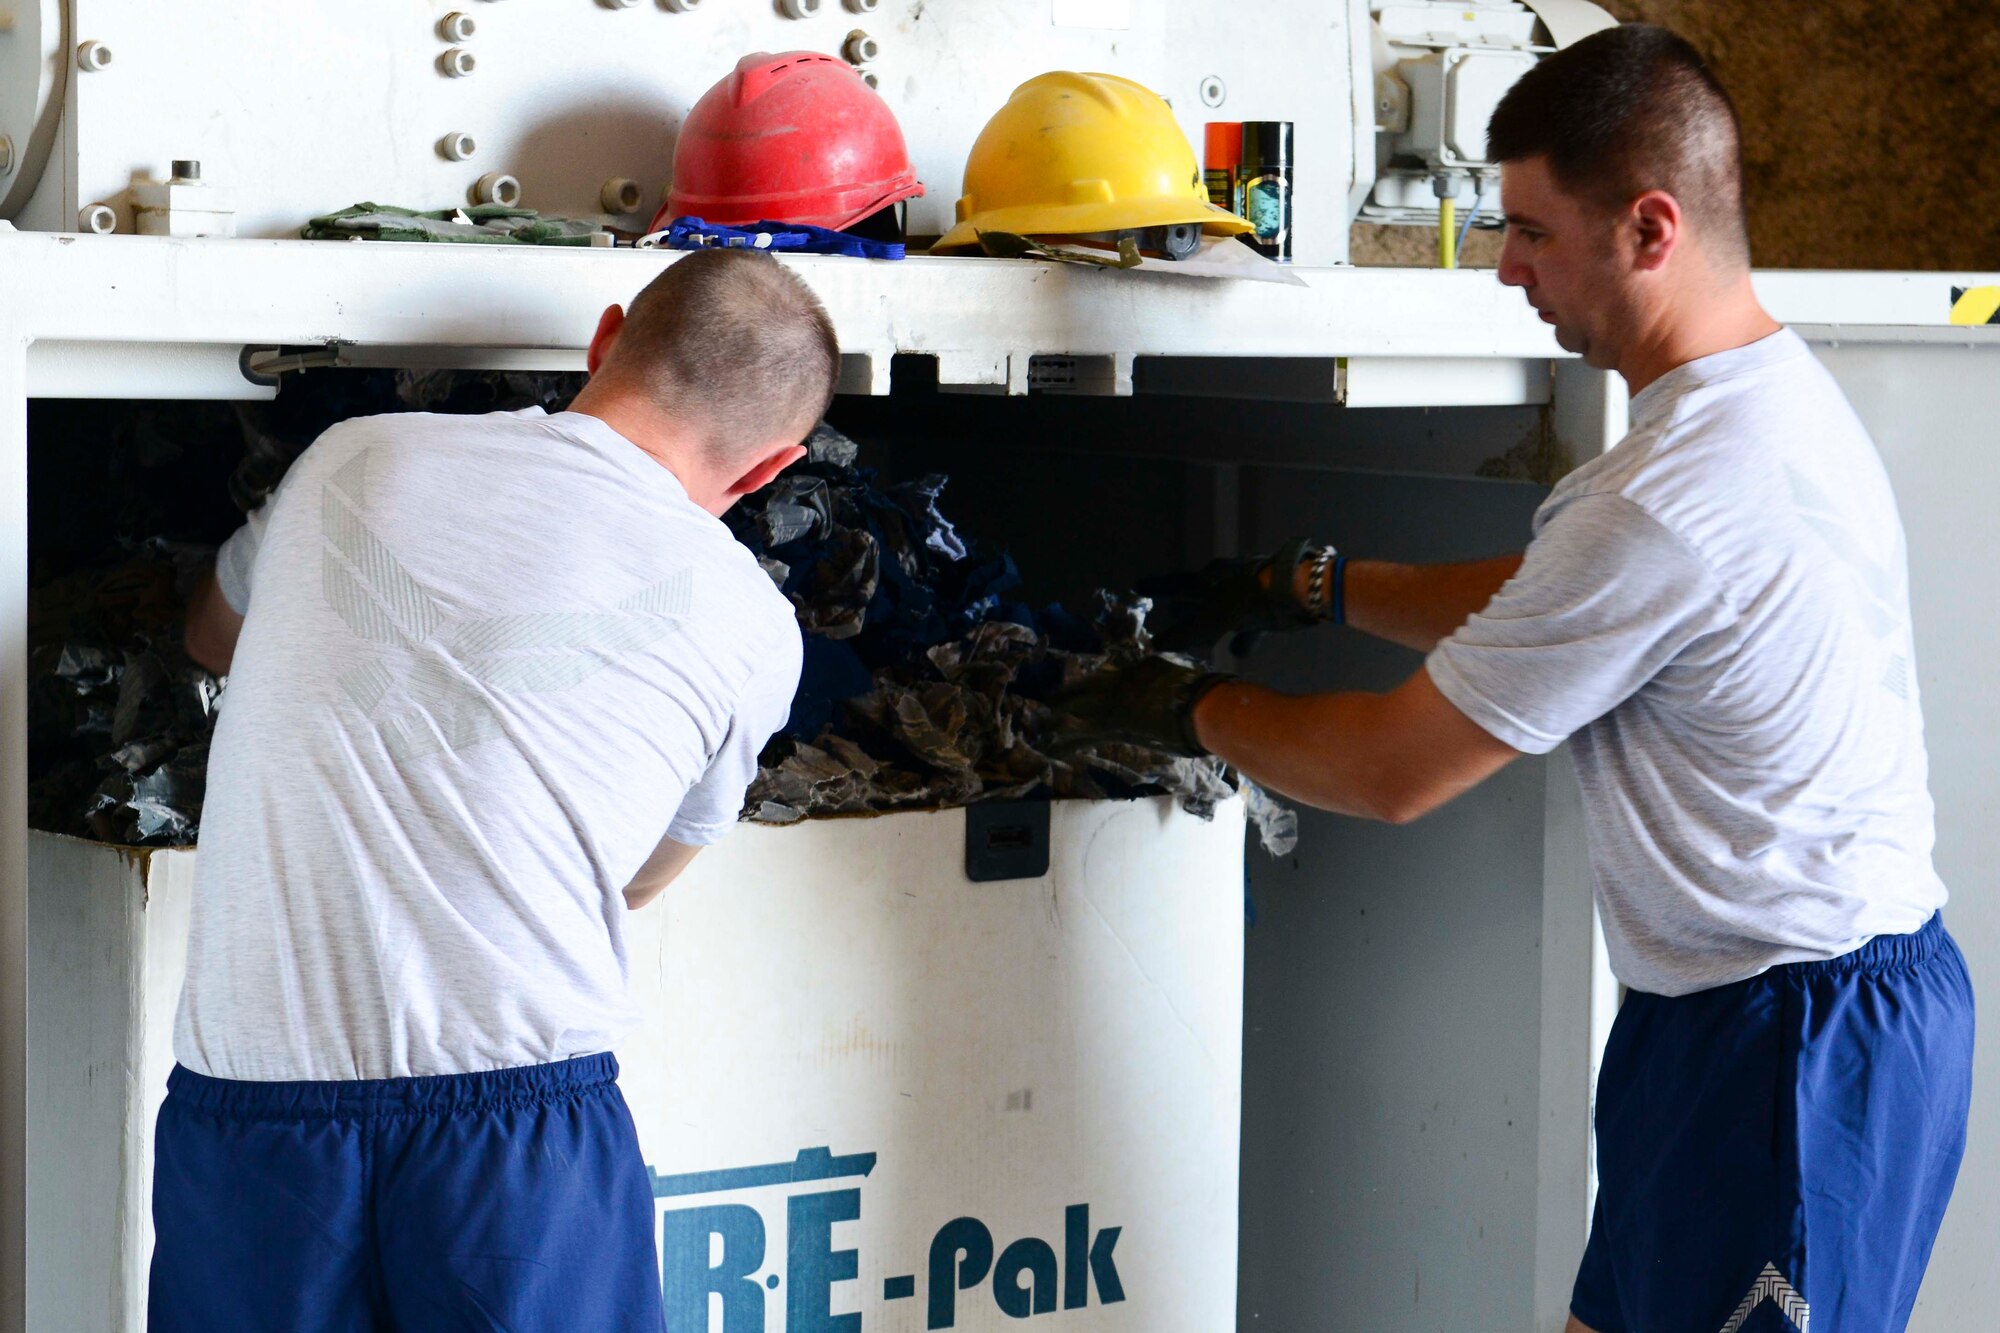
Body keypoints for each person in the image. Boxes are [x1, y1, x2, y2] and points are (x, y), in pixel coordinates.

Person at [1051, 25, 1973, 1333]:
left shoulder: (1668, 495)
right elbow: (1555, 601)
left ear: (1650, 228)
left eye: (1532, 231)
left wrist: (1176, 706)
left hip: (1791, 1045)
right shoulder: (1760, 404)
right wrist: (1308, 582)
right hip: (1750, 1019)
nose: (1503, 268)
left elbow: (1390, 770)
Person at [158, 247, 834, 1331]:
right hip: (516, 1126)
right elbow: (640, 876)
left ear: (605, 337)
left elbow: (209, 636)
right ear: (769, 469)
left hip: (251, 1109)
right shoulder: (750, 620)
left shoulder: (349, 457)